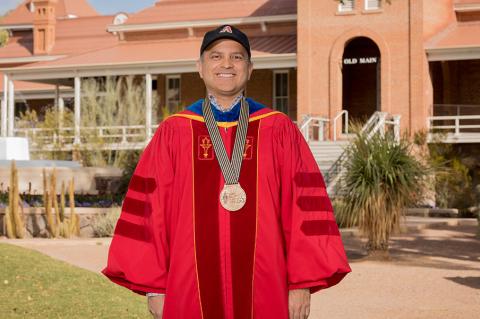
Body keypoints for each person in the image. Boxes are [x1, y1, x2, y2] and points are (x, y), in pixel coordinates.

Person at [102, 25, 351, 319]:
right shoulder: (175, 131)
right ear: (200, 67)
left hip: (267, 285)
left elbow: (303, 210)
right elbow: (150, 213)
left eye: (237, 57)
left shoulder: (278, 129)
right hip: (188, 285)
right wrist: (156, 288)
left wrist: (301, 283)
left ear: (250, 68)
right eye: (216, 56)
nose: (226, 64)